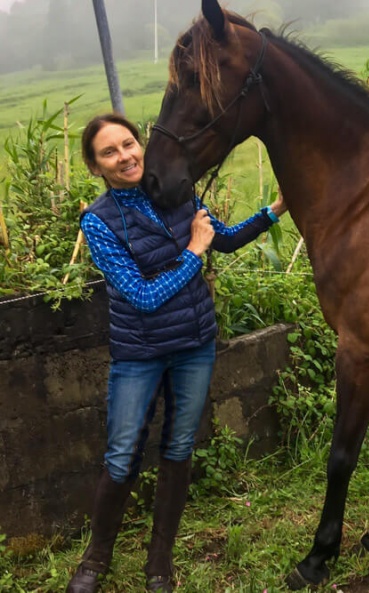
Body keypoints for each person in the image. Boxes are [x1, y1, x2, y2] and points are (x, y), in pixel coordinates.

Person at [66, 113, 286, 593]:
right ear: (94, 166)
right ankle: (95, 559)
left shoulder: (174, 189)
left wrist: (275, 210)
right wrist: (193, 252)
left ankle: (159, 562)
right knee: (122, 455)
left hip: (193, 346)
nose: (124, 156)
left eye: (128, 143)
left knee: (179, 448)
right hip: (138, 355)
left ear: (141, 145)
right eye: (109, 151)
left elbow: (221, 240)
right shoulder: (98, 222)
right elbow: (143, 297)